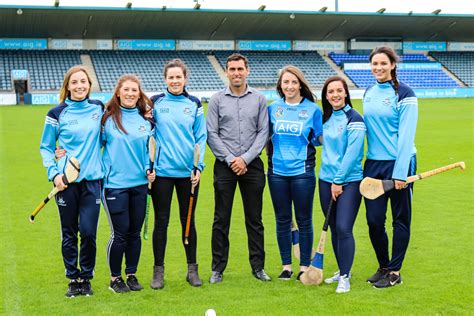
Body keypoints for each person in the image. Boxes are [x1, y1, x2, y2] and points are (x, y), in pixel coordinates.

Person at [40, 65, 104, 297]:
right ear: (67, 86)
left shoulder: (98, 108)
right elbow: (47, 148)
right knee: (69, 233)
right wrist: (54, 173)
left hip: (92, 182)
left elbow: (109, 135)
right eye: (74, 82)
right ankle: (72, 279)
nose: (79, 86)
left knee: (88, 232)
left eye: (83, 82)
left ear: (89, 84)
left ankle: (85, 277)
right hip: (65, 183)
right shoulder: (56, 113)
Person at [207, 53, 270, 283]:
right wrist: (231, 159)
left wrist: (245, 159)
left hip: (252, 166)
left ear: (247, 71)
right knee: (221, 218)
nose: (236, 73)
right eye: (232, 69)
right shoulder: (216, 100)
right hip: (225, 166)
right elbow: (211, 134)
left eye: (240, 69)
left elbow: (263, 132)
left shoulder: (260, 99)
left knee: (254, 219)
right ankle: (217, 268)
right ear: (226, 72)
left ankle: (258, 267)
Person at [363, 46, 418, 288]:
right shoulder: (368, 91)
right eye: (375, 64)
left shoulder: (405, 93)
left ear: (392, 65)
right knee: (374, 221)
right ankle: (383, 265)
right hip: (373, 164)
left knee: (400, 219)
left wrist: (400, 172)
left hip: (400, 162)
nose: (379, 68)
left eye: (383, 63)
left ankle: (395, 271)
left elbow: (406, 135)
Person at [149, 59, 207, 289]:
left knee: (188, 222)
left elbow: (201, 137)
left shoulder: (194, 103)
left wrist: (198, 166)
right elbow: (148, 136)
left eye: (178, 77)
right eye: (171, 77)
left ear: (185, 79)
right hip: (162, 173)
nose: (174, 81)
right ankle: (158, 272)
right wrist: (150, 165)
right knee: (160, 222)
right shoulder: (155, 102)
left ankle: (192, 270)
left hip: (188, 174)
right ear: (165, 79)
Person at [267, 65, 322, 281]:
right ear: (280, 85)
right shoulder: (273, 108)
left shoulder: (312, 110)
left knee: (304, 220)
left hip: (303, 173)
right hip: (277, 173)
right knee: (282, 220)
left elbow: (319, 139)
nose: (289, 86)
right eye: (285, 82)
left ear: (300, 84)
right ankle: (286, 266)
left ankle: (304, 266)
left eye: (293, 82)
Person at [101, 75, 156, 293]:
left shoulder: (146, 121)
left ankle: (131, 274)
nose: (131, 93)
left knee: (134, 233)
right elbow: (92, 146)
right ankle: (115, 278)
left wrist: (149, 169)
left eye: (135, 90)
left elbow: (148, 151)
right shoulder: (107, 119)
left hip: (140, 185)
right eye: (126, 90)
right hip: (114, 185)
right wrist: (63, 153)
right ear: (118, 93)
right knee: (120, 233)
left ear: (139, 94)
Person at [317, 76, 365, 293]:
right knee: (335, 228)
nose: (335, 95)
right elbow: (320, 142)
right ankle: (342, 269)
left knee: (344, 228)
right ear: (326, 96)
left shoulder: (354, 118)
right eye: (330, 92)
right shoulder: (325, 118)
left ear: (346, 92)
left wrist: (338, 181)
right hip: (325, 180)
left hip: (350, 181)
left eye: (339, 90)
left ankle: (345, 277)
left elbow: (352, 154)